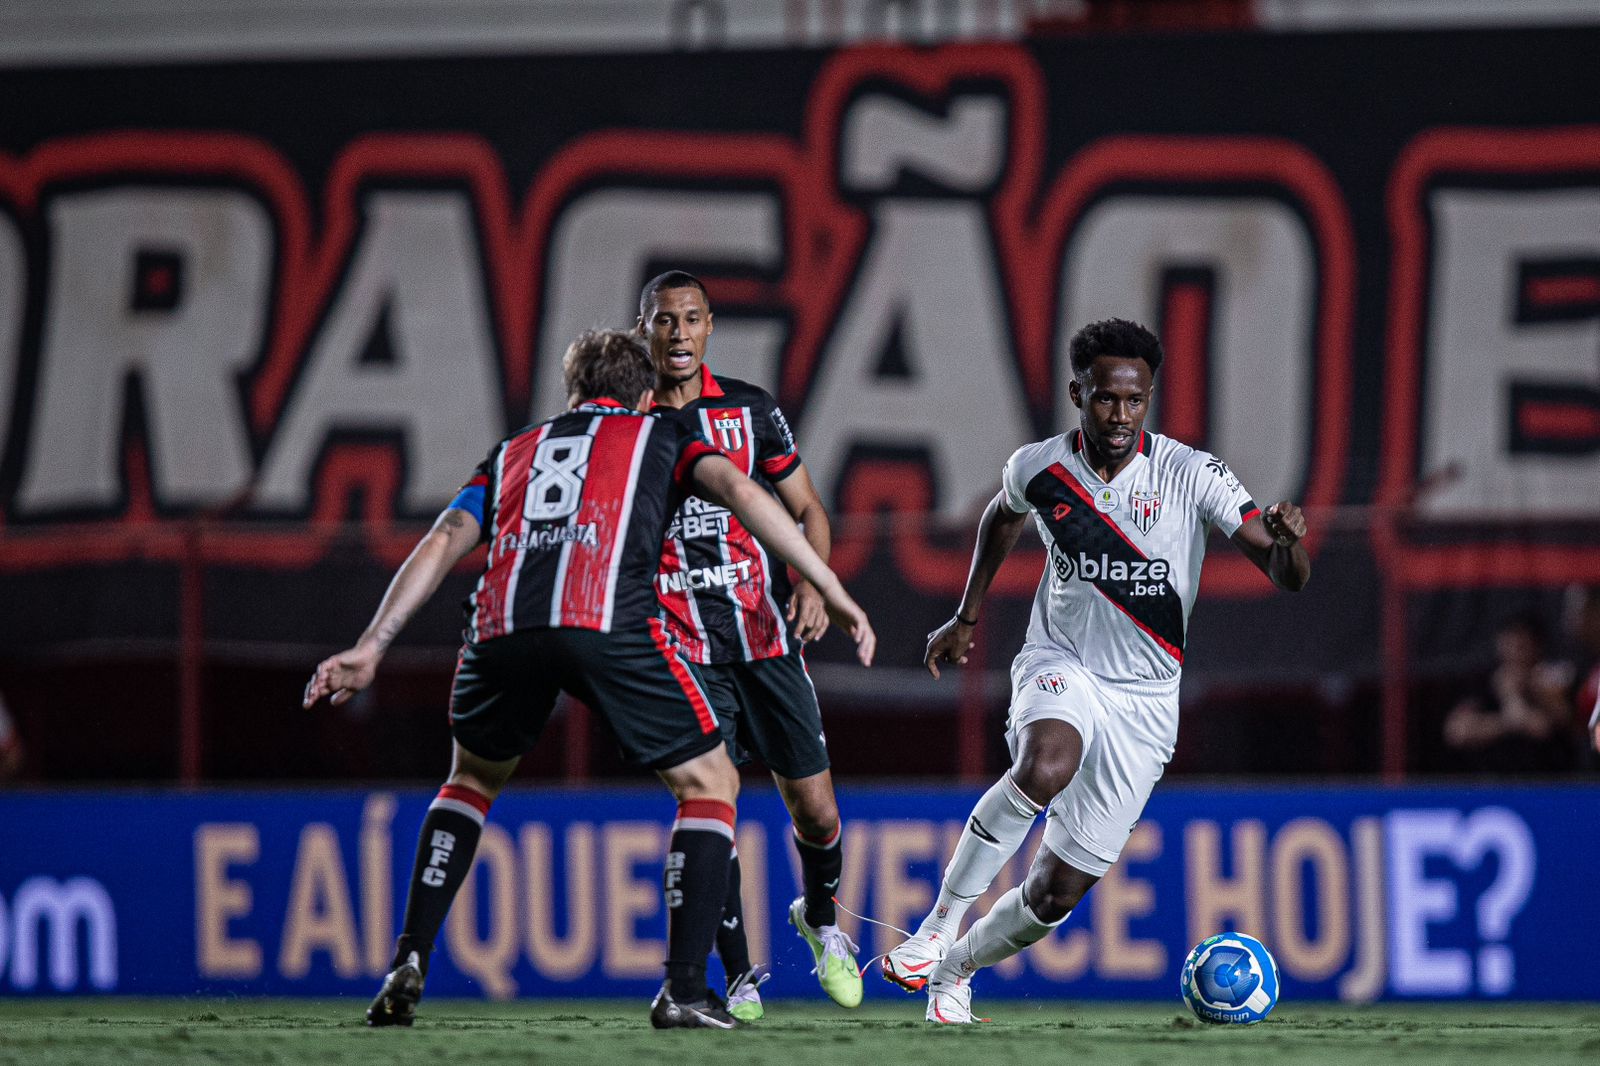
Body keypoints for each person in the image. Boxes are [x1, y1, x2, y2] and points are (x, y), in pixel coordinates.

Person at [303, 328, 874, 1030]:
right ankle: (685, 989)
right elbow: (743, 494)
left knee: (471, 781)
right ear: (641, 393)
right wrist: (826, 581)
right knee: (712, 784)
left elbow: (445, 537)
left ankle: (409, 956)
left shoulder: (514, 451)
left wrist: (370, 646)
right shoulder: (659, 436)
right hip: (603, 622)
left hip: (499, 626)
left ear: (572, 390)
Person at [879, 318, 1310, 1023]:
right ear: (1079, 392)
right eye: (1107, 399)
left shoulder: (1190, 473)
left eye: (1135, 401)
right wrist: (966, 617)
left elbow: (1284, 572)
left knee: (1055, 894)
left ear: (1150, 399)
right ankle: (936, 928)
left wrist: (1291, 544)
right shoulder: (1041, 466)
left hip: (1145, 702)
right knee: (1046, 763)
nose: (1120, 415)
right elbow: (1001, 516)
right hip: (1062, 663)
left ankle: (956, 970)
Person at [638, 271, 862, 1019]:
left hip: (765, 637)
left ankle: (821, 920)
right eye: (664, 321)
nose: (677, 335)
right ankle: (736, 976)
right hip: (680, 645)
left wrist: (807, 584)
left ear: (710, 329)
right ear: (646, 330)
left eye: (690, 320)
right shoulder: (623, 423)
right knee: (714, 800)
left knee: (818, 813)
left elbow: (808, 510)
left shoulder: (750, 411)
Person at [1441, 613, 1573, 773]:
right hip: (1491, 783)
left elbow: (1547, 726)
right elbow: (1458, 732)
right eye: (1509, 644)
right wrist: (1510, 719)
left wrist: (1525, 692)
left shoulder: (1553, 679)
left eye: (1522, 646)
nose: (1515, 653)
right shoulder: (1481, 683)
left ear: (1537, 646)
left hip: (1549, 782)